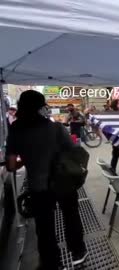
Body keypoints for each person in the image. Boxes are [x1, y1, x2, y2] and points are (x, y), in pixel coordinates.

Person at [6, 90, 87, 270]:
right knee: (71, 216)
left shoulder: (16, 129)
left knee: (44, 226)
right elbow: (74, 151)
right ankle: (78, 252)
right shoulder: (55, 128)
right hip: (63, 182)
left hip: (38, 186)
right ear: (42, 107)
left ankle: (52, 262)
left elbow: (11, 166)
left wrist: (26, 159)